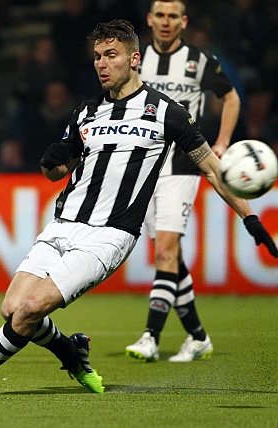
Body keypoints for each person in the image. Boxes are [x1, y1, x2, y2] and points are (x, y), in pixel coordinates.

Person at [0, 19, 277, 396]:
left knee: (31, 307)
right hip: (63, 224)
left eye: (111, 55)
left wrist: (250, 218)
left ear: (134, 59)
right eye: (98, 56)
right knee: (12, 308)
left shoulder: (167, 112)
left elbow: (212, 168)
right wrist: (52, 163)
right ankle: (71, 352)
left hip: (110, 234)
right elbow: (59, 168)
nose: (102, 63)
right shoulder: (86, 111)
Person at [125, 0, 241, 363]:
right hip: (145, 167)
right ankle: (198, 337)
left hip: (183, 164)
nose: (166, 21)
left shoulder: (199, 60)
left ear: (183, 21)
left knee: (165, 251)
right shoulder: (137, 60)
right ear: (150, 19)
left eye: (172, 16)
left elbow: (231, 98)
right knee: (169, 256)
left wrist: (222, 142)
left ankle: (150, 336)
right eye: (160, 15)